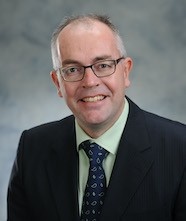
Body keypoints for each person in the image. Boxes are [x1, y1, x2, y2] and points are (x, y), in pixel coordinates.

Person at [7, 14, 186, 221]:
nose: (90, 82)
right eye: (72, 69)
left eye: (103, 65)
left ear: (125, 71)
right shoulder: (32, 149)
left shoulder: (179, 149)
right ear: (58, 83)